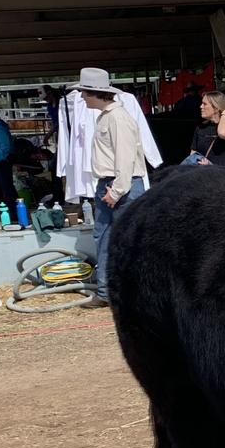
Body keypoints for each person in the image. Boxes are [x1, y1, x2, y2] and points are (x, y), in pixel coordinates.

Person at [74, 67, 148, 309]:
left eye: (84, 92)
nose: (82, 97)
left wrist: (116, 191)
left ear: (95, 93)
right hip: (113, 185)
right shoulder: (109, 117)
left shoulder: (117, 119)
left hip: (119, 186)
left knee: (124, 240)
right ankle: (108, 292)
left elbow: (125, 158)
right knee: (106, 237)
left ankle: (128, 292)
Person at [188, 91, 225, 168]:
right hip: (207, 175)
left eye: (204, 104)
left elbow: (223, 133)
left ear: (216, 108)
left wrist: (224, 115)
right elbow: (193, 153)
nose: (201, 106)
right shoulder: (201, 127)